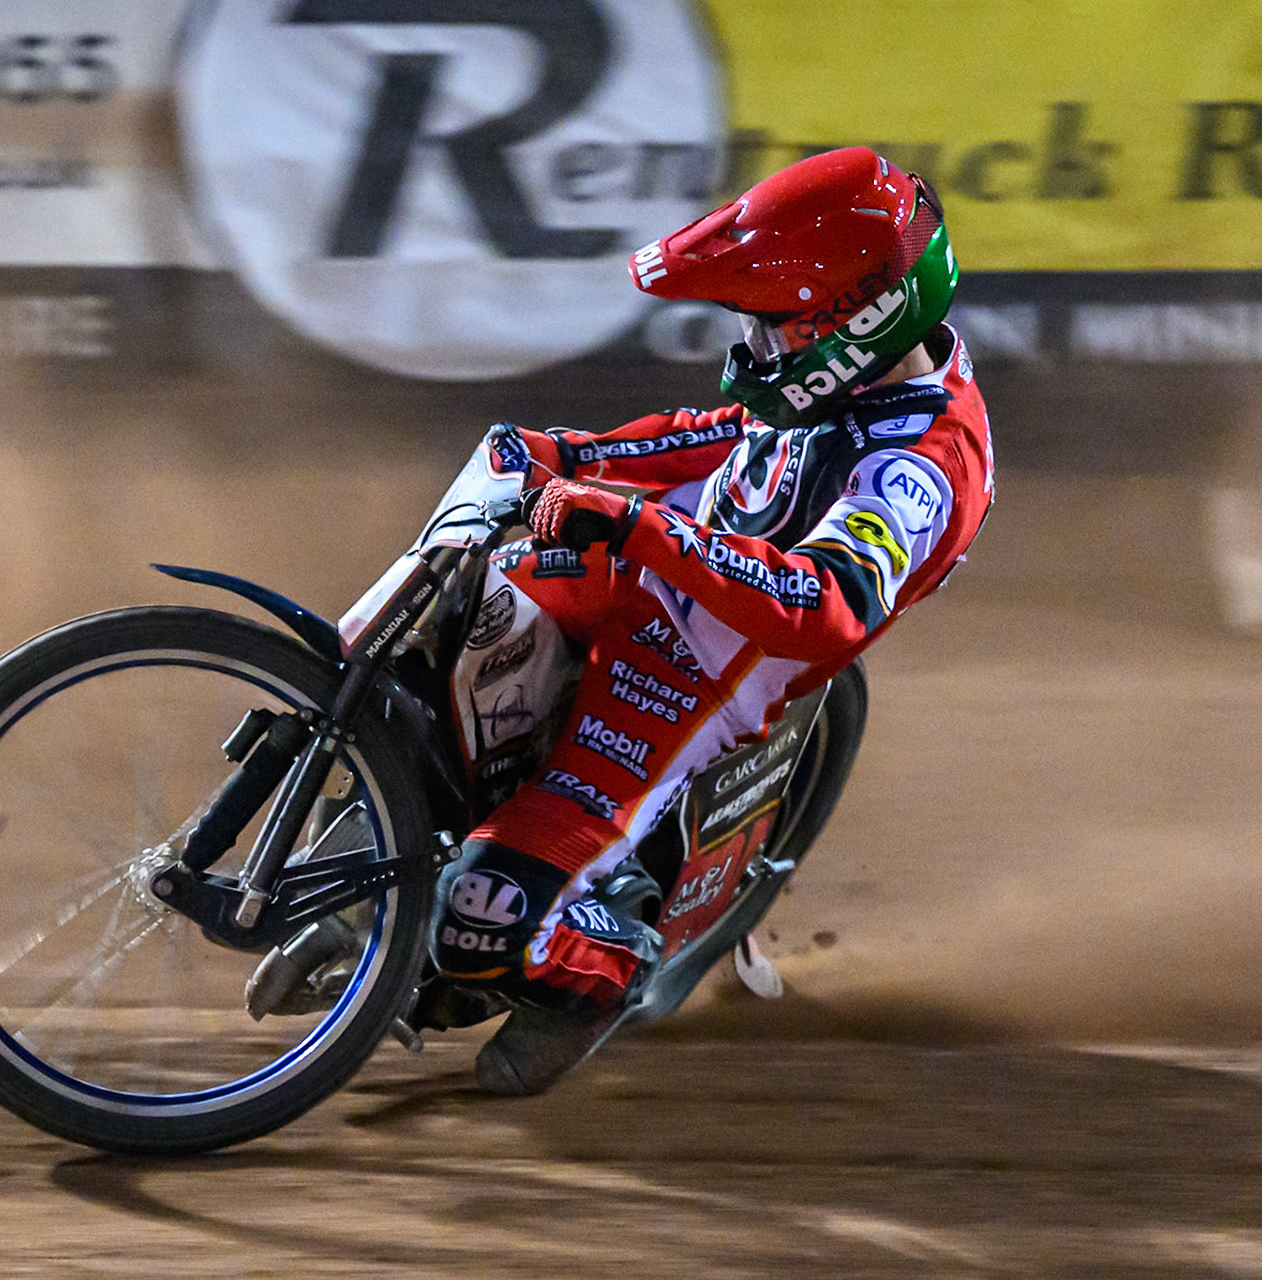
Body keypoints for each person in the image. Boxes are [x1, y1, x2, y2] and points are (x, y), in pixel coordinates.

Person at [421, 146, 996, 1095]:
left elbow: (824, 608)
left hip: (698, 668)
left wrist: (638, 526)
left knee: (481, 915)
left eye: (769, 330)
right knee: (436, 644)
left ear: (852, 325)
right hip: (649, 572)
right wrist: (571, 454)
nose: (751, 352)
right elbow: (725, 439)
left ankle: (607, 968)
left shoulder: (921, 467)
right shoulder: (852, 377)